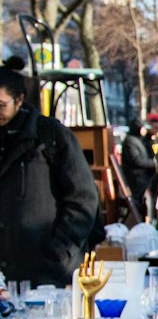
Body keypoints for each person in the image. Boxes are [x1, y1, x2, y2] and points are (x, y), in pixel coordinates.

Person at [0, 67, 99, 287]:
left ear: (19, 100)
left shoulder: (51, 135)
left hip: (46, 273)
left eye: (1, 105)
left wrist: (60, 252)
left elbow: (83, 198)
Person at [119, 123, 158, 221]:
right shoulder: (130, 141)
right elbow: (137, 160)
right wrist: (153, 164)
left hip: (141, 176)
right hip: (136, 177)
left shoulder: (136, 140)